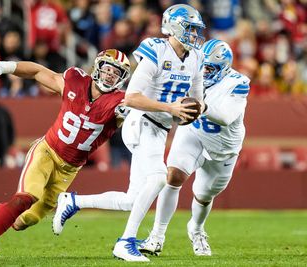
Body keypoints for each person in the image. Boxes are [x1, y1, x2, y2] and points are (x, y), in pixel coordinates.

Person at [53, 4, 205, 262]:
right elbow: (131, 98)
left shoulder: (196, 58)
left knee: (131, 200)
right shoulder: (156, 50)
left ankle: (73, 202)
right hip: (140, 120)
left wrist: (197, 110)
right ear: (174, 27)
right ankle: (125, 242)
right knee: (158, 179)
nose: (193, 34)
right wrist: (171, 108)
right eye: (189, 28)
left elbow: (197, 101)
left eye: (195, 29)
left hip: (160, 128)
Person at [0, 49, 139, 261]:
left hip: (70, 168)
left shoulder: (121, 102)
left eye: (116, 73)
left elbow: (141, 109)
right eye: (108, 69)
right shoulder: (74, 81)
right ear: (97, 67)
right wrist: (4, 66)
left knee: (22, 221)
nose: (110, 75)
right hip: (47, 150)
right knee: (26, 197)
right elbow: (37, 72)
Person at [138, 39, 250, 257]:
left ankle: (197, 229)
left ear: (223, 68)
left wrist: (203, 105)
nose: (204, 72)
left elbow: (226, 117)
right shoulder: (189, 68)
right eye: (202, 67)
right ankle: (156, 236)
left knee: (204, 194)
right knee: (173, 176)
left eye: (210, 68)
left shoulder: (238, 82)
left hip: (223, 148)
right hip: (193, 133)